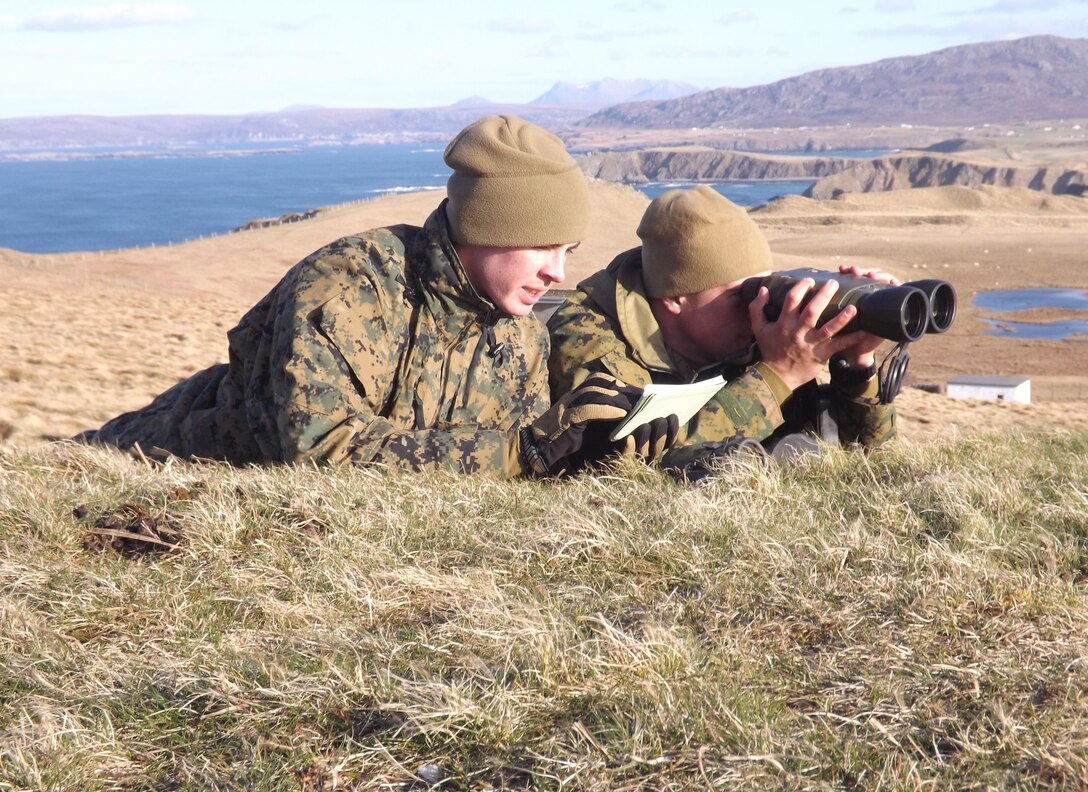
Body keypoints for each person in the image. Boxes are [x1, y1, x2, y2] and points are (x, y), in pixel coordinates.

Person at [88, 114, 634, 477]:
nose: (557, 273)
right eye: (541, 246)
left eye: (569, 249)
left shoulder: (519, 333)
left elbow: (516, 465)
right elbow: (321, 451)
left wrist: (590, 450)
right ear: (486, 229)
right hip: (159, 456)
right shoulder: (347, 288)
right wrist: (520, 453)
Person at [546, 185, 898, 471]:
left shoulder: (749, 336)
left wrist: (856, 363)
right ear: (675, 298)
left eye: (763, 289)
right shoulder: (592, 337)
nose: (756, 307)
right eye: (739, 295)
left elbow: (864, 457)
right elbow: (619, 465)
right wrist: (777, 377)